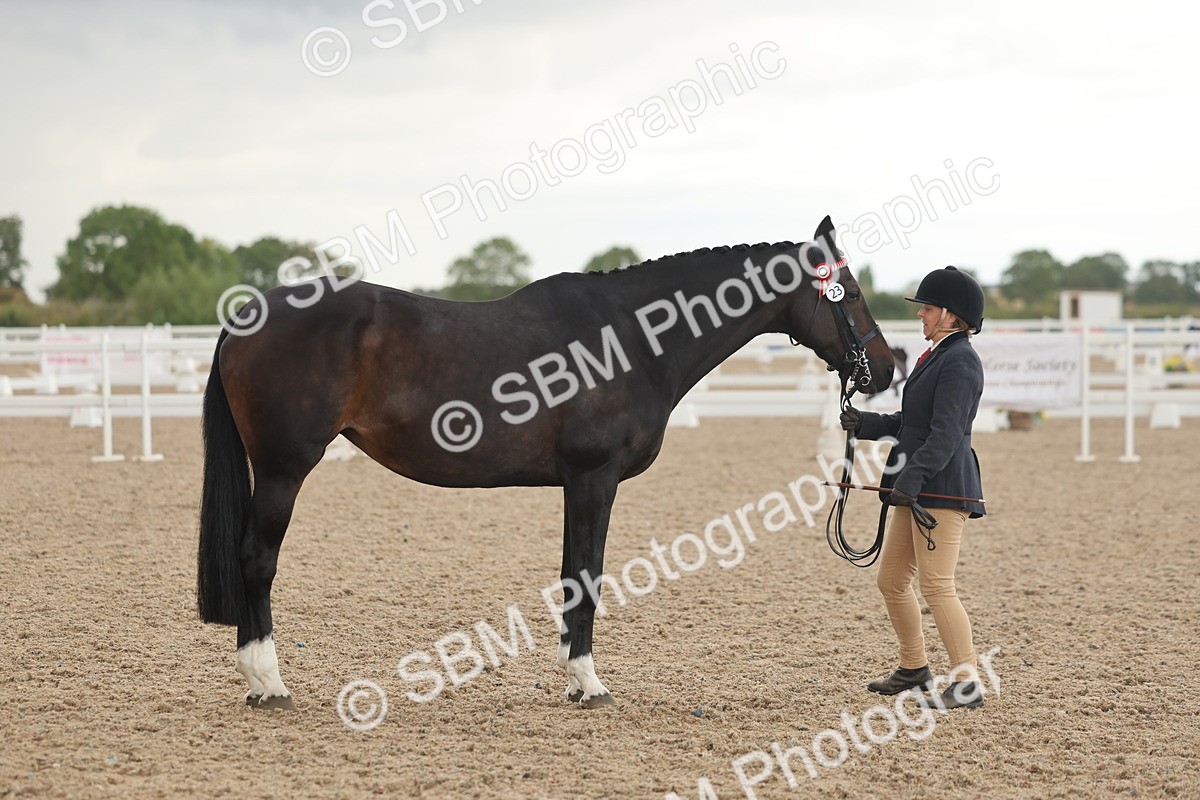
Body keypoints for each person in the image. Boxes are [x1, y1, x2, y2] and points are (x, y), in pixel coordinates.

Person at [839, 266, 987, 710]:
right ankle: (914, 668)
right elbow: (913, 423)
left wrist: (912, 479)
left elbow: (945, 433)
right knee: (891, 580)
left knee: (938, 584)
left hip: (941, 488)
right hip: (919, 485)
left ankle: (967, 683)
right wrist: (865, 424)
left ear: (951, 316)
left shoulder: (960, 361)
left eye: (927, 307)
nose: (921, 314)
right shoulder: (937, 356)